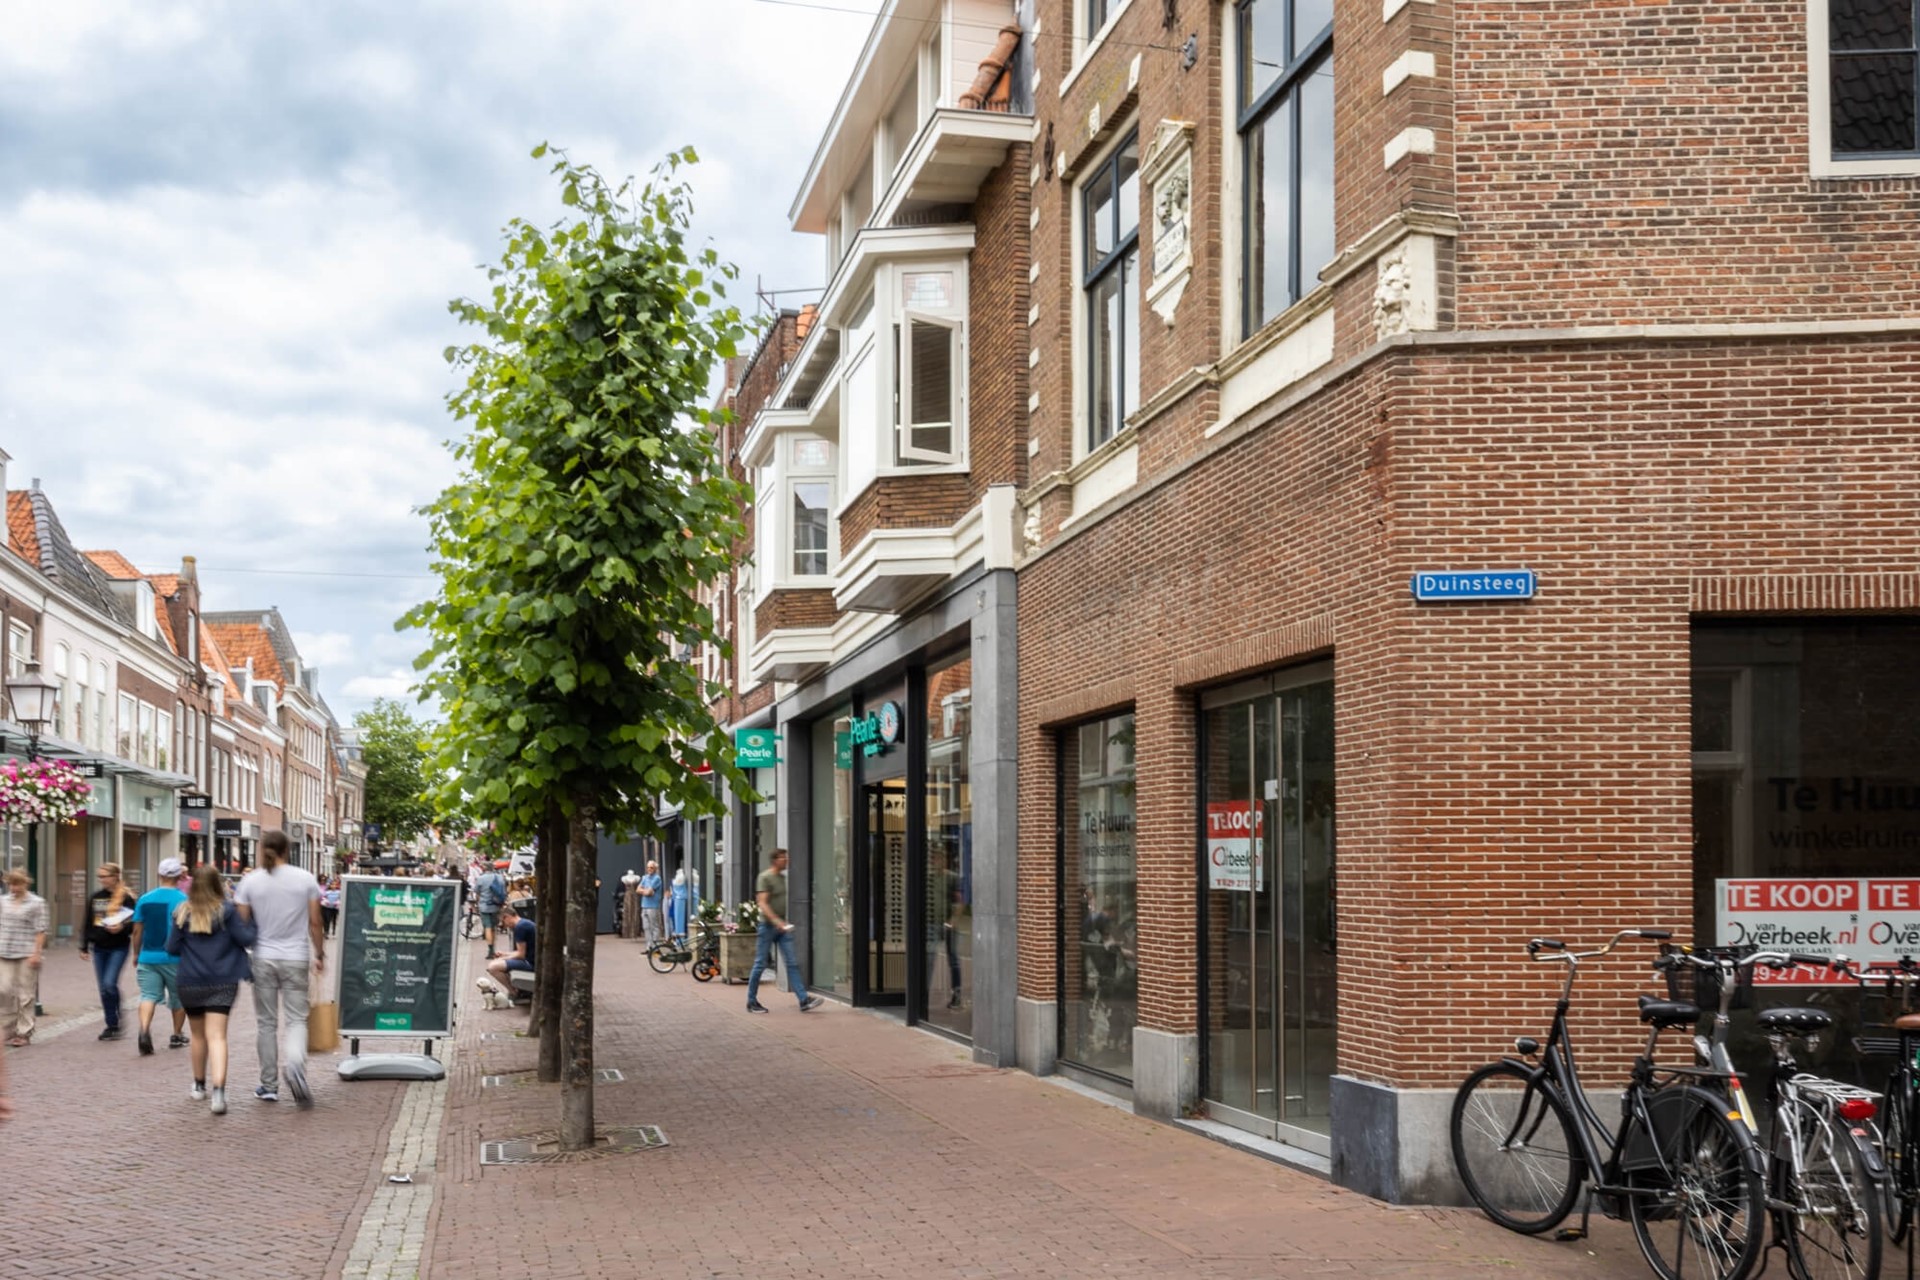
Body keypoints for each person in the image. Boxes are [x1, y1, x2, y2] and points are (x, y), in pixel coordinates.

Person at [234, 830, 324, 1107]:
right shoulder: (305, 878)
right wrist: (320, 953)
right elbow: (315, 922)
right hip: (296, 956)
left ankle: (269, 1085)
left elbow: (242, 923)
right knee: (297, 1019)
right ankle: (295, 1066)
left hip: (263, 956)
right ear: (288, 849)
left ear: (263, 849)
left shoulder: (250, 881)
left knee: (266, 1023)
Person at [166, 864, 258, 1115]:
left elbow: (171, 948)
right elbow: (246, 939)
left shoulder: (182, 912)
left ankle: (199, 1085)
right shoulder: (228, 911)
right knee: (217, 1036)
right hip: (223, 980)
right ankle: (219, 1093)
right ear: (218, 884)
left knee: (197, 1036)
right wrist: (252, 921)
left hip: (190, 980)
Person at [746, 849, 823, 1015]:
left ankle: (803, 1000)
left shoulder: (782, 878)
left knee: (792, 963)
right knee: (760, 964)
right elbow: (762, 903)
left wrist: (782, 923)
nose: (786, 860)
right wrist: (776, 921)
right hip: (768, 926)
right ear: (775, 860)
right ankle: (751, 1001)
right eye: (783, 858)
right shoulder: (765, 877)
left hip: (782, 927)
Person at [128, 858, 189, 1055]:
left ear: (159, 875)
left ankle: (144, 1029)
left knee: (148, 996)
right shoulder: (183, 900)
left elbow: (137, 930)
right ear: (179, 876)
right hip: (175, 958)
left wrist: (136, 953)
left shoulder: (145, 899)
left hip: (148, 956)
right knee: (179, 998)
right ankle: (177, 1034)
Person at [80, 862, 136, 1040]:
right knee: (104, 988)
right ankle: (112, 1025)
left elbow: (135, 922)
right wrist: (84, 946)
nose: (102, 880)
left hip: (118, 947)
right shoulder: (96, 897)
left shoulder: (126, 897)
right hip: (99, 948)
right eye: (100, 876)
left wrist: (122, 928)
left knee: (109, 984)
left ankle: (117, 1017)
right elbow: (88, 922)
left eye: (105, 876)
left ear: (115, 876)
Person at [1, 869, 49, 1048]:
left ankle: (24, 1032)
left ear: (25, 883)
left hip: (26, 953)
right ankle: (9, 1027)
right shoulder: (3, 901)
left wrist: (37, 953)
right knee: (4, 990)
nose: (14, 888)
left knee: (25, 994)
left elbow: (41, 929)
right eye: (11, 884)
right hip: (4, 951)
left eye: (17, 884)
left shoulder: (37, 903)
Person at [484, 902, 534, 999]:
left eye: (503, 923)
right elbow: (521, 952)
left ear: (507, 917)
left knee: (493, 967)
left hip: (530, 963)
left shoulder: (520, 928)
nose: (506, 926)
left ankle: (514, 993)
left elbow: (521, 955)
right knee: (498, 963)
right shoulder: (524, 923)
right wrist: (505, 954)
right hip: (531, 960)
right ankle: (517, 991)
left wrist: (503, 958)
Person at [475, 863, 507, 958]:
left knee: (487, 927)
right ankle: (493, 948)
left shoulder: (481, 878)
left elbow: (477, 892)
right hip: (496, 905)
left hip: (484, 906)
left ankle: (490, 950)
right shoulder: (500, 877)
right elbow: (504, 891)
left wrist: (477, 903)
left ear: (485, 868)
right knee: (493, 927)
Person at [638, 860, 663, 949]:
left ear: (655, 869)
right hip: (644, 905)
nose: (649, 869)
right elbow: (638, 889)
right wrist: (646, 891)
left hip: (653, 906)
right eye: (648, 867)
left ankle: (655, 947)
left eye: (651, 867)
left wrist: (644, 891)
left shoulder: (657, 878)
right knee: (646, 927)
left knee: (654, 926)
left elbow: (648, 892)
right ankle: (649, 947)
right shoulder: (644, 877)